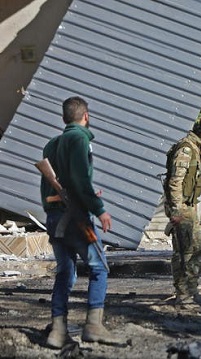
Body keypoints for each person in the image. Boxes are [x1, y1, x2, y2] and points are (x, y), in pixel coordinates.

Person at [41, 96, 125, 348]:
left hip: (55, 218)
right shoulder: (79, 140)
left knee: (65, 272)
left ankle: (57, 331)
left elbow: (58, 185)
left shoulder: (52, 144)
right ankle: (93, 326)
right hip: (76, 220)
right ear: (86, 116)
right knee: (99, 267)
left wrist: (82, 195)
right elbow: (78, 180)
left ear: (64, 117)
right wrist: (99, 210)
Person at [163, 114, 201, 306]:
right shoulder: (186, 149)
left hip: (188, 206)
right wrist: (176, 210)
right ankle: (185, 294)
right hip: (182, 207)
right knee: (186, 252)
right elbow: (175, 182)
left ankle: (189, 290)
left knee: (194, 249)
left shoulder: (195, 149)